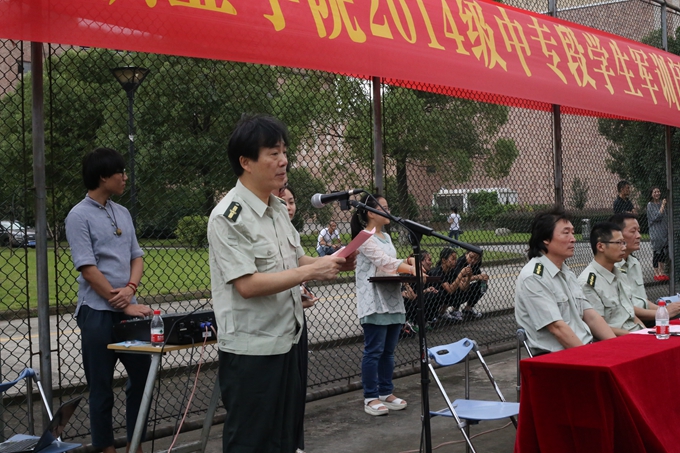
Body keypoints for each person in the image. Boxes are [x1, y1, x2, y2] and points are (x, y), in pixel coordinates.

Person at [208, 114, 355, 452]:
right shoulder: (228, 216)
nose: (283, 160)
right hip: (253, 351)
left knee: (285, 439)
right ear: (246, 162)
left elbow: (296, 260)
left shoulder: (277, 207)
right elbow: (247, 285)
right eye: (273, 153)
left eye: (284, 152)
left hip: (289, 341)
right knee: (252, 441)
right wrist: (311, 272)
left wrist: (334, 261)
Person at [65, 147, 153, 453]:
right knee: (101, 387)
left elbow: (136, 256)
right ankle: (105, 448)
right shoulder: (78, 216)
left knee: (142, 377)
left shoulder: (122, 212)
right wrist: (124, 302)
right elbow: (88, 268)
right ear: (103, 177)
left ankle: (134, 443)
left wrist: (131, 287)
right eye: (120, 172)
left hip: (128, 310)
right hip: (97, 312)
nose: (125, 177)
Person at [514, 206, 615, 356]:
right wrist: (590, 358)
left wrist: (616, 346)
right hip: (557, 357)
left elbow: (591, 316)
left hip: (582, 349)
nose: (573, 239)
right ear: (546, 239)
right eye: (566, 233)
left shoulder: (566, 272)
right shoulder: (534, 277)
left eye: (572, 232)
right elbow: (557, 328)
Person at [351, 193, 417, 416]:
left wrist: (407, 261)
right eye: (383, 207)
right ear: (370, 213)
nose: (388, 211)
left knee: (388, 351)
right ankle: (370, 397)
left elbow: (391, 263)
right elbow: (384, 262)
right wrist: (409, 267)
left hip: (392, 299)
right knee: (374, 350)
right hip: (374, 301)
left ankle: (385, 392)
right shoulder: (363, 237)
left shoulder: (386, 237)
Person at [273, 184, 315, 453]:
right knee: (279, 392)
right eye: (283, 201)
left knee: (297, 386)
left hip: (295, 318)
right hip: (273, 323)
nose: (289, 207)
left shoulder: (291, 230)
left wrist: (333, 261)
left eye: (291, 202)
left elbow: (300, 262)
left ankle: (295, 443)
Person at [609, 213, 680, 323]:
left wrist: (664, 310)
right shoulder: (610, 267)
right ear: (618, 235)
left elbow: (644, 301)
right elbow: (624, 308)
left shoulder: (634, 263)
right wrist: (664, 312)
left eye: (639, 231)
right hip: (630, 321)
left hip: (646, 316)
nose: (639, 236)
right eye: (633, 231)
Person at [577, 222, 644, 335]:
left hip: (635, 334)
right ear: (600, 246)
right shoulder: (588, 283)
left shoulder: (619, 273)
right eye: (618, 243)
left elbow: (631, 315)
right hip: (618, 339)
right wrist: (638, 336)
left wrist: (646, 332)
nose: (624, 247)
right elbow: (599, 327)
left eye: (623, 242)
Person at [427, 248, 470, 323]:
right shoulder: (438, 271)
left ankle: (442, 312)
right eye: (453, 259)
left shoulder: (452, 270)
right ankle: (432, 314)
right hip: (430, 297)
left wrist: (469, 276)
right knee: (443, 293)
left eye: (455, 259)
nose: (455, 262)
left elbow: (463, 288)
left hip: (442, 296)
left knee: (459, 290)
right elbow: (450, 290)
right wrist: (461, 274)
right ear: (444, 260)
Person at [402, 250, 438, 329]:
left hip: (415, 300)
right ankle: (411, 322)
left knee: (433, 294)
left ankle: (425, 321)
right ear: (421, 262)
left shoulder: (427, 274)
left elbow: (416, 294)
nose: (431, 263)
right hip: (407, 304)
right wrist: (425, 291)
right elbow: (411, 296)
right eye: (429, 260)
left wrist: (427, 290)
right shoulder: (408, 274)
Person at [450, 251, 488, 319]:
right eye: (471, 257)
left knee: (482, 285)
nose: (473, 260)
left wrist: (483, 279)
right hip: (453, 289)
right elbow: (460, 278)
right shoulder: (460, 262)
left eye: (476, 259)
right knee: (460, 285)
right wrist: (477, 277)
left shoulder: (476, 264)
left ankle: (468, 308)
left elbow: (478, 275)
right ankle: (455, 309)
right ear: (466, 254)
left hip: (466, 288)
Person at [647, 187, 669, 281]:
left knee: (663, 252)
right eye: (655, 192)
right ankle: (656, 273)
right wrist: (663, 205)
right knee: (656, 252)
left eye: (658, 191)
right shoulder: (650, 205)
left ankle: (661, 272)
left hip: (663, 230)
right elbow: (657, 217)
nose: (657, 193)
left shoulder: (661, 204)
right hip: (655, 231)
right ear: (651, 194)